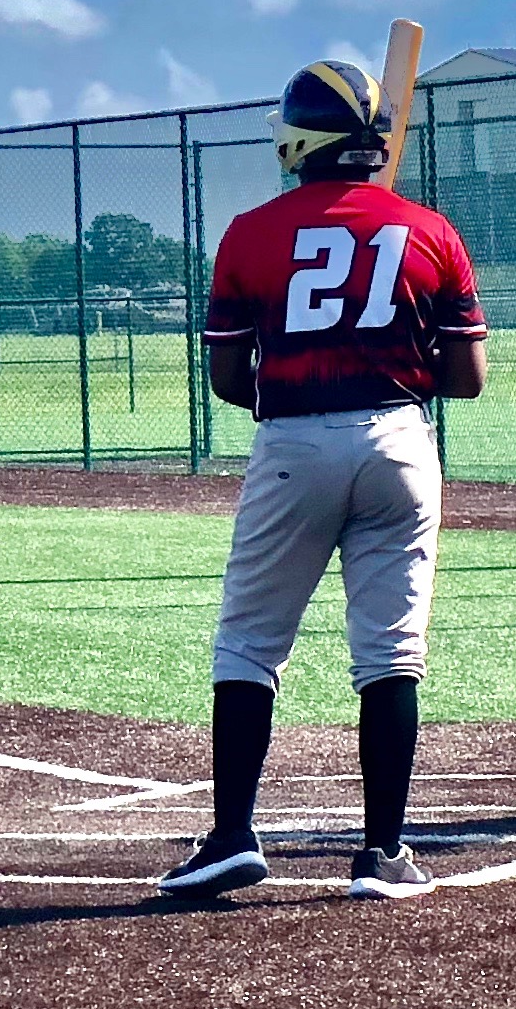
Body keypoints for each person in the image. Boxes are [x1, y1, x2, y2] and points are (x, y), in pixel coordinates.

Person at [157, 58, 489, 901]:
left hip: (293, 439)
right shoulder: (431, 230)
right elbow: (467, 375)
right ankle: (383, 851)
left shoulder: (251, 232)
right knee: (390, 654)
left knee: (248, 644)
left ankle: (232, 833)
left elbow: (230, 379)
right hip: (400, 438)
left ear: (299, 140)